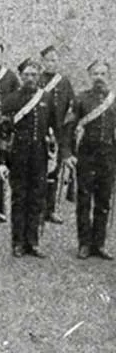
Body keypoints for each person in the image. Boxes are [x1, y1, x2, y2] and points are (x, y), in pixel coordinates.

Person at [3, 58, 60, 258]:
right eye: (26, 74)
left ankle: (33, 242)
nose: (30, 78)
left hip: (39, 155)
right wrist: (3, 160)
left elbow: (54, 127)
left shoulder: (46, 98)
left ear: (38, 76)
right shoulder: (11, 100)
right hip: (18, 154)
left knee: (37, 199)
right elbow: (3, 132)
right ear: (21, 76)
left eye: (34, 75)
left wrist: (54, 151)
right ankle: (18, 242)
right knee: (19, 198)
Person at [65, 59, 113, 259]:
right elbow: (68, 128)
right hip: (86, 156)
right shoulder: (80, 99)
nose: (99, 78)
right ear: (90, 76)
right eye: (95, 74)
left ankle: (99, 244)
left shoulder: (113, 99)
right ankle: (84, 243)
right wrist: (67, 153)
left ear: (108, 76)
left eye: (102, 74)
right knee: (84, 201)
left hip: (109, 157)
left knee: (103, 202)